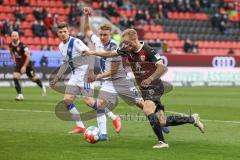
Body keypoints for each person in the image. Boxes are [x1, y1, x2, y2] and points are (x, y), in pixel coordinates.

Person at [83, 28, 205, 149]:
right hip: (144, 89)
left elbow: (162, 67)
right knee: (162, 121)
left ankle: (162, 142)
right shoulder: (126, 49)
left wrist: (150, 79)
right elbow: (110, 53)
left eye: (127, 42)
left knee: (147, 109)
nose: (124, 45)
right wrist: (92, 52)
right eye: (123, 42)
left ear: (134, 39)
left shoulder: (147, 50)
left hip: (155, 86)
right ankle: (192, 119)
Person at [83, 7, 122, 139]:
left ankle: (160, 122)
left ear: (110, 34)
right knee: (99, 104)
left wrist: (96, 76)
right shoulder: (97, 41)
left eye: (105, 35)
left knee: (141, 104)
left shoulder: (114, 46)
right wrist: (87, 16)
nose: (102, 37)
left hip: (120, 80)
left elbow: (113, 70)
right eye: (100, 34)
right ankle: (104, 133)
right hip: (108, 81)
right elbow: (87, 30)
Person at [9, 31, 46, 101]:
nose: (14, 37)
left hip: (27, 64)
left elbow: (28, 56)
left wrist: (24, 66)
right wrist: (13, 59)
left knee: (33, 79)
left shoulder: (23, 45)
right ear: (11, 37)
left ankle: (42, 86)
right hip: (18, 64)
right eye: (12, 36)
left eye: (15, 36)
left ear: (18, 37)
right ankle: (20, 95)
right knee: (15, 77)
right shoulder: (10, 45)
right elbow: (11, 52)